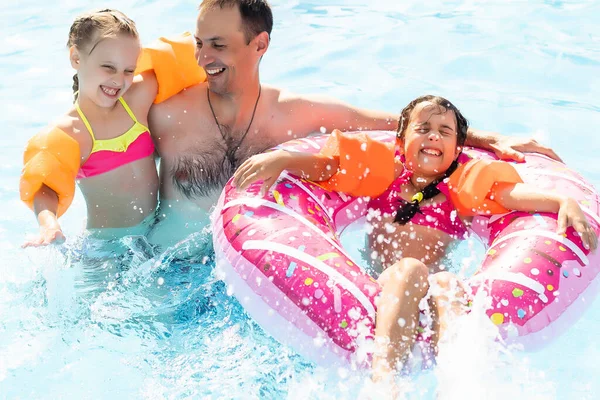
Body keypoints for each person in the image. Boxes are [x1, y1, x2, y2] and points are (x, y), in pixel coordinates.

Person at [231, 94, 597, 384]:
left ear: (457, 150)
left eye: (444, 131)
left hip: (433, 300)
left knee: (448, 283)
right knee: (409, 269)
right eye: (423, 128)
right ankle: (384, 384)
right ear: (401, 140)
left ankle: (458, 385)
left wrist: (560, 200)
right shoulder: (382, 179)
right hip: (383, 289)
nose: (433, 135)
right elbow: (330, 168)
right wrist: (285, 160)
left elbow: (510, 198)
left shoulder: (461, 191)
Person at [144, 0, 561, 248]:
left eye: (218, 45)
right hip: (168, 277)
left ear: (260, 44)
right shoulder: (166, 116)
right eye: (199, 44)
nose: (202, 58)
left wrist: (489, 138)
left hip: (256, 272)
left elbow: (398, 126)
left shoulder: (296, 113)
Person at [20, 9, 160, 247]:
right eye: (108, 67)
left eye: (128, 70)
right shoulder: (70, 132)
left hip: (156, 233)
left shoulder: (138, 100)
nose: (119, 80)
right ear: (76, 58)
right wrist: (49, 224)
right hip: (105, 248)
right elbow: (45, 186)